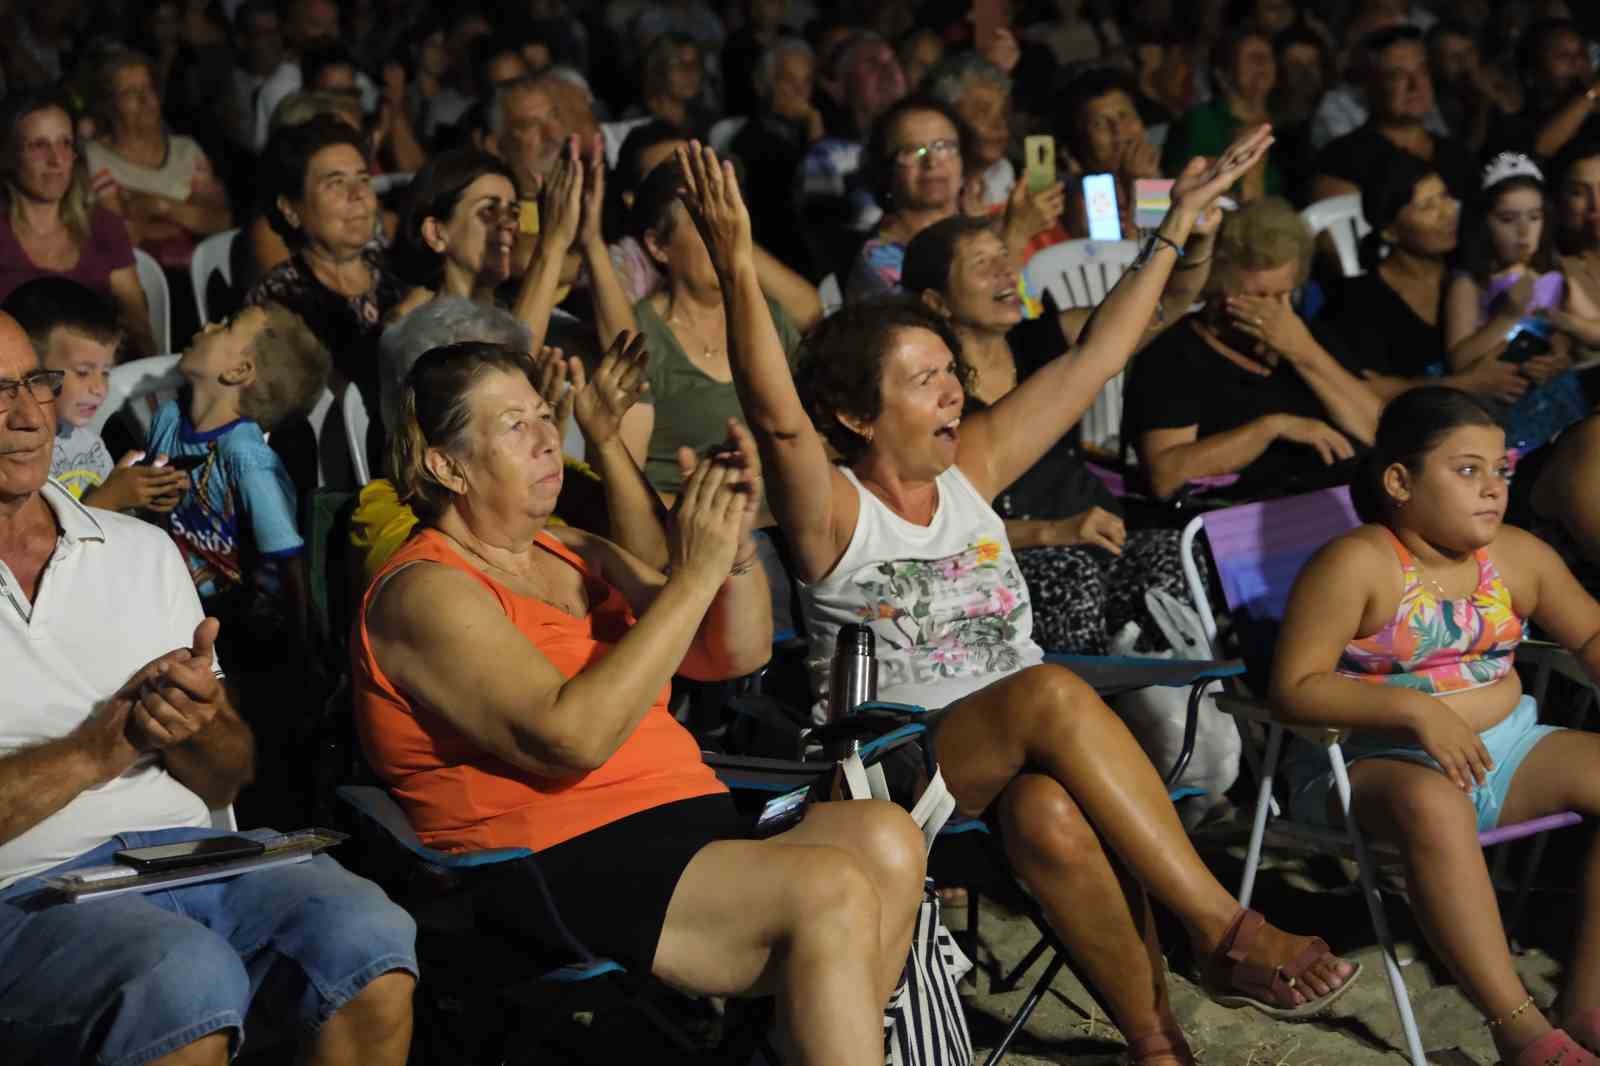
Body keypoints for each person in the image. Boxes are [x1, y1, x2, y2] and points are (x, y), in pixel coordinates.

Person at [680, 132, 1363, 1066]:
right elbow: (774, 412)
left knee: (1050, 815)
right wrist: (731, 259)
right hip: (890, 767)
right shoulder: (834, 508)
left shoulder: (976, 469)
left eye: (952, 372)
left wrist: (1179, 223)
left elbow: (1096, 357)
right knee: (1047, 692)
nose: (954, 392)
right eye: (925, 381)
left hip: (1009, 761)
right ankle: (1221, 925)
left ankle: (1159, 1046)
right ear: (855, 415)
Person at [355, 340, 926, 1066]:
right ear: (446, 465)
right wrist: (692, 575)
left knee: (887, 837)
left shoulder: (570, 550)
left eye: (542, 416)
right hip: (540, 861)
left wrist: (734, 549)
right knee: (829, 889)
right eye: (513, 426)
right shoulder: (425, 591)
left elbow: (728, 654)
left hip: (675, 821)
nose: (545, 440)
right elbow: (572, 738)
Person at [0, 309, 418, 1066]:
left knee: (368, 936)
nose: (25, 413)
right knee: (183, 977)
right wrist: (100, 752)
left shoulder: (137, 550)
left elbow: (230, 773)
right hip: (28, 890)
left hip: (196, 857)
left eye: (32, 382)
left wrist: (198, 725)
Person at [1271, 386, 1600, 1066]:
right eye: (1467, 469)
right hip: (1368, 764)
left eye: (1501, 471)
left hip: (1507, 752)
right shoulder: (1357, 563)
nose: (1493, 489)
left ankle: (1588, 1003)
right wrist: (1416, 708)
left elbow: (1591, 633)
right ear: (1399, 481)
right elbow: (1293, 689)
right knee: (1433, 805)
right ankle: (1521, 1030)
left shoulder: (1516, 556)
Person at [902, 209, 1218, 654]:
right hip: (1002, 555)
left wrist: (1197, 238)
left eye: (1003, 257)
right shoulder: (930, 392)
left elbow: (1170, 302)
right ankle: (1089, 709)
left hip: (1093, 529)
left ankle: (1172, 697)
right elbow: (928, 521)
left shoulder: (1046, 341)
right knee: (1073, 576)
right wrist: (1052, 532)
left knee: (1172, 555)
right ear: (936, 302)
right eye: (981, 264)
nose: (1005, 271)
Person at [1123, 196, 1383, 500]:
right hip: (1235, 514)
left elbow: (1380, 431)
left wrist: (1304, 352)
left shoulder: (1303, 334)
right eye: (1258, 295)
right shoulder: (1174, 353)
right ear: (1219, 284)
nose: (1274, 309)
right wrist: (1271, 428)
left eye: (1283, 294)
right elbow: (1165, 476)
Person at [146, 305, 329, 657]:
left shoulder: (247, 458)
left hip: (238, 625)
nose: (209, 324)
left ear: (238, 371)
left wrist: (303, 645)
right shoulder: (167, 419)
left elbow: (288, 559)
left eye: (226, 326)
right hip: (171, 602)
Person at [622, 161, 800, 501]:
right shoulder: (641, 336)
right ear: (659, 246)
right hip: (684, 525)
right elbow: (624, 488)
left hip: (778, 518)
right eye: (705, 225)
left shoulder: (767, 318)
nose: (724, 238)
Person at [1322, 155, 1530, 407]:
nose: (1448, 212)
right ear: (1389, 230)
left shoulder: (1474, 270)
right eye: (1427, 206)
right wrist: (1465, 384)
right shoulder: (1357, 301)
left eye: (1444, 196)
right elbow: (1360, 390)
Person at [245, 115, 406, 397]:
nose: (357, 195)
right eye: (335, 183)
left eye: (364, 179)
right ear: (290, 209)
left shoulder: (396, 268)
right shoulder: (278, 300)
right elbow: (328, 400)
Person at [1443, 152, 1590, 458]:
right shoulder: (1470, 283)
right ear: (1483, 222)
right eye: (1508, 220)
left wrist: (1558, 358)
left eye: (1534, 218)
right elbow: (1458, 361)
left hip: (1552, 402)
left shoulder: (1550, 272)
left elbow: (1557, 336)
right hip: (1498, 408)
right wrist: (1507, 315)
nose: (1524, 233)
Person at [846, 96, 1061, 303]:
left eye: (945, 147)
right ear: (885, 172)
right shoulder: (879, 259)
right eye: (912, 151)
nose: (932, 162)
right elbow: (977, 326)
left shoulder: (984, 235)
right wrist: (1016, 237)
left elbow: (1031, 318)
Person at [3, 277, 188, 510]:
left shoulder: (92, 445)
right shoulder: (21, 452)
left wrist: (142, 495)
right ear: (33, 369)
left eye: (106, 372)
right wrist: (109, 499)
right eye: (82, 372)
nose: (98, 388)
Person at [0, 93, 155, 359]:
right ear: (10, 154)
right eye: (39, 145)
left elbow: (137, 321)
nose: (56, 159)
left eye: (65, 143)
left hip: (97, 385)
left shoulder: (104, 225)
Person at [83, 49, 234, 272]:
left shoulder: (187, 150)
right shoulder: (95, 157)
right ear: (109, 105)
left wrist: (157, 205)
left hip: (195, 273)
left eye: (148, 89)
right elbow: (122, 235)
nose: (144, 100)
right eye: (130, 92)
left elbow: (220, 222)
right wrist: (187, 213)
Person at [1309, 26, 1477, 204]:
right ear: (1369, 87)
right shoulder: (1342, 161)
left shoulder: (1457, 155)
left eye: (1421, 71)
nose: (1415, 85)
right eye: (1397, 75)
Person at [1165, 29, 1284, 202]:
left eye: (1268, 56)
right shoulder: (1200, 121)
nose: (1262, 63)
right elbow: (1181, 189)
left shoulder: (1288, 129)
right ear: (1223, 74)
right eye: (1251, 57)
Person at [1490, 18, 1600, 162]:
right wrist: (1591, 94)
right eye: (1563, 56)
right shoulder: (1517, 119)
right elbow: (1541, 149)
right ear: (1534, 70)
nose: (1576, 62)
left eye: (1581, 54)